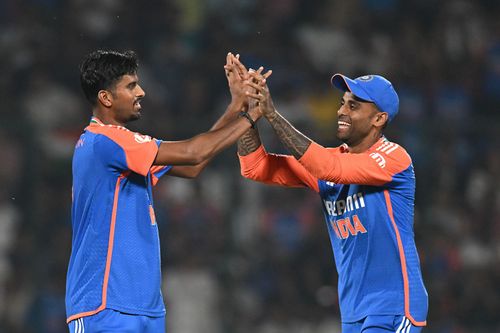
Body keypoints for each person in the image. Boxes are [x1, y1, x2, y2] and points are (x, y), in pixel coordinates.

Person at [66, 50, 269, 333]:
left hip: (143, 305)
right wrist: (254, 115)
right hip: (105, 304)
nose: (142, 92)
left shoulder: (125, 147)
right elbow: (193, 152)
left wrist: (236, 107)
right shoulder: (105, 141)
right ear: (105, 98)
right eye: (131, 86)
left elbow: (191, 166)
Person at [236, 64, 428, 332]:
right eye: (342, 103)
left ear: (379, 119)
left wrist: (274, 115)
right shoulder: (328, 161)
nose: (341, 111)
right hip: (353, 310)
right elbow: (255, 167)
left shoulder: (393, 158)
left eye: (354, 106)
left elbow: (331, 169)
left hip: (394, 306)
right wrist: (246, 111)